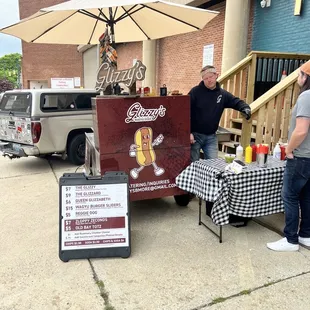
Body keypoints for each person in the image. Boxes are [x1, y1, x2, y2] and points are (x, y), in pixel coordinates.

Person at [267, 62, 310, 252]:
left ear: (306, 77)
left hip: (300, 157)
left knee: (290, 196)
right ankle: (306, 235)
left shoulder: (306, 97)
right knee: (307, 198)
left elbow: (301, 131)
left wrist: (290, 149)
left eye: (300, 74)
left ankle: (291, 239)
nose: (298, 78)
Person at [189, 65, 251, 162]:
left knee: (214, 164)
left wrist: (245, 108)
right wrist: (188, 132)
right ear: (202, 79)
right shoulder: (195, 92)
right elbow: (185, 111)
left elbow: (235, 101)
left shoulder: (222, 94)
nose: (209, 80)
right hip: (195, 136)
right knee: (193, 165)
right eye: (206, 78)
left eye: (211, 77)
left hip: (211, 137)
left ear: (216, 75)